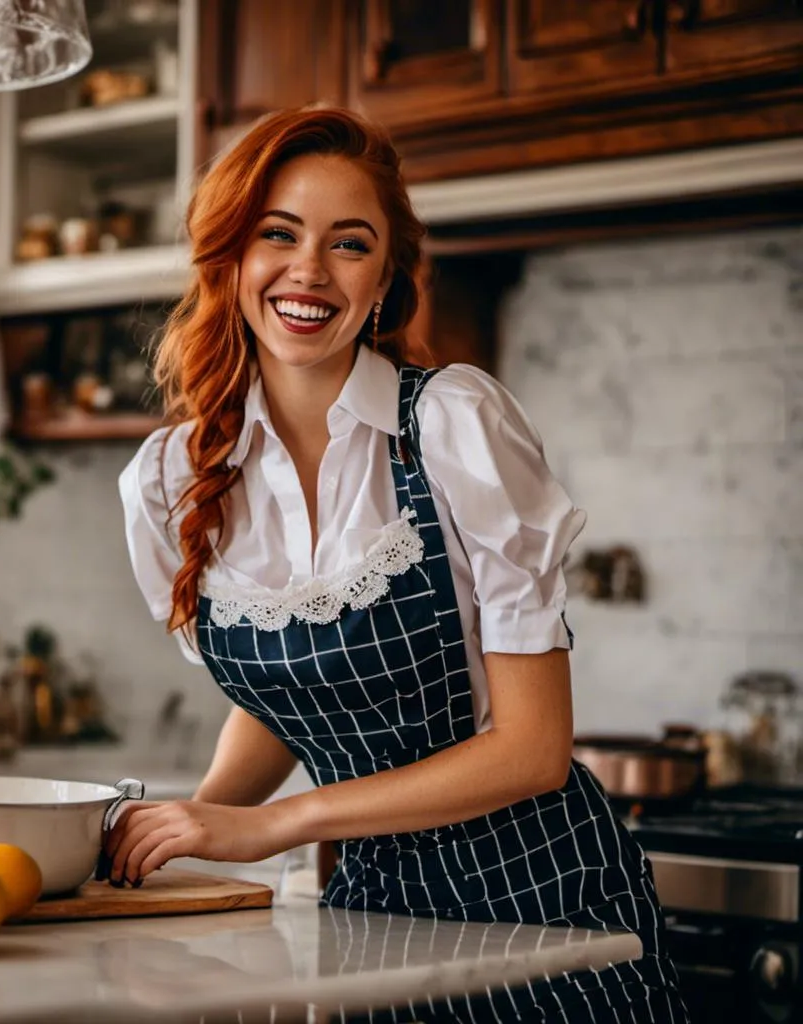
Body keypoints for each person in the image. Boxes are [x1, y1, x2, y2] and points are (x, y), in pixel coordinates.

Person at [110, 106, 688, 1023]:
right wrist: (187, 834)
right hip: (373, 921)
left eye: (349, 243)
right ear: (232, 257)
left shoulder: (452, 428)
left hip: (542, 907)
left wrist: (274, 825)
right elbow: (294, 693)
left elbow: (535, 752)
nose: (308, 270)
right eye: (278, 233)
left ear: (384, 279)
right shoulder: (174, 479)